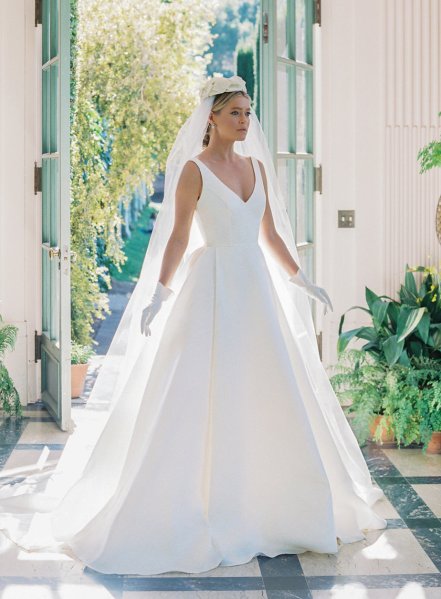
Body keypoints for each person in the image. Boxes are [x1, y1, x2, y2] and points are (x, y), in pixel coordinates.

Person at [0, 75, 387, 576]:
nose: (245, 121)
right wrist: (159, 294)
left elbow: (267, 233)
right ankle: (199, 500)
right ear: (211, 117)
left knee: (268, 388)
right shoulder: (194, 170)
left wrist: (301, 279)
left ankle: (276, 502)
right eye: (235, 114)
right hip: (212, 287)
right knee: (202, 389)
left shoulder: (257, 169)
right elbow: (179, 238)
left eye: (248, 113)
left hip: (255, 289)